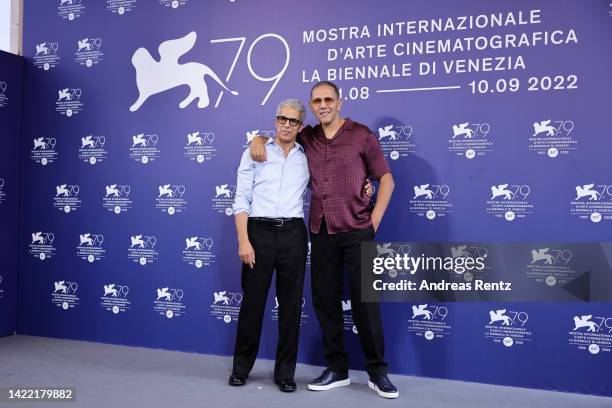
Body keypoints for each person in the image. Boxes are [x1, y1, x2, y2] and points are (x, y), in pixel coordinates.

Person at [250, 81, 398, 399]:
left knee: (366, 305)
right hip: (320, 232)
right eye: (317, 100)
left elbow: (386, 178)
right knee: (325, 303)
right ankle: (338, 369)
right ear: (312, 106)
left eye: (328, 99)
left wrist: (374, 220)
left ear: (340, 102)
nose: (323, 105)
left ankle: (377, 372)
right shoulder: (308, 136)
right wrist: (258, 137)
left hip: (358, 230)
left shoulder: (362, 135)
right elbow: (282, 136)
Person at [229, 98, 310, 393]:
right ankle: (241, 368)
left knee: (291, 308)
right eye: (282, 119)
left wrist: (364, 186)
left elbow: (331, 181)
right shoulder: (254, 150)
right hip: (258, 232)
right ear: (275, 120)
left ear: (301, 126)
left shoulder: (308, 154)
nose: (287, 125)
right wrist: (243, 240)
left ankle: (285, 373)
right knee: (252, 304)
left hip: (294, 234)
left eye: (294, 121)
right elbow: (241, 199)